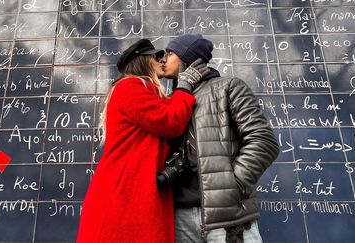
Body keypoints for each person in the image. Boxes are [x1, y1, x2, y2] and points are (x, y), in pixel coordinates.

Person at [76, 38, 210, 243]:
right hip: (124, 196)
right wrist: (184, 87)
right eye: (157, 56)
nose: (163, 60)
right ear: (144, 61)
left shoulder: (147, 91)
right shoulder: (129, 86)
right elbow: (171, 121)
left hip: (133, 192)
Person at [162, 34, 280, 243]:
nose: (163, 59)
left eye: (170, 54)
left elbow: (263, 141)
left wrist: (232, 186)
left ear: (186, 57)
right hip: (178, 217)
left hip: (228, 218)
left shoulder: (228, 87)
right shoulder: (170, 102)